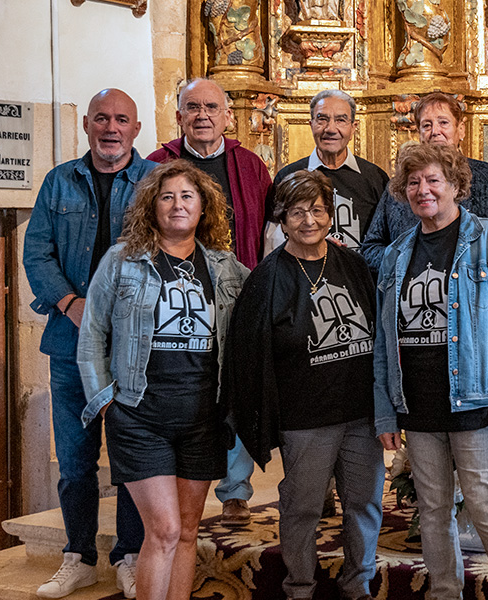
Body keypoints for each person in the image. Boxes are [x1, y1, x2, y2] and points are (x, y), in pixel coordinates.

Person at [77, 160, 249, 600]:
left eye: (187, 196)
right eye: (167, 196)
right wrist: (107, 401)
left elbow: (268, 299)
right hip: (139, 416)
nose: (177, 205)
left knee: (189, 531)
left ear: (203, 207)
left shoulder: (225, 266)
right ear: (151, 206)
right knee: (165, 531)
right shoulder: (122, 261)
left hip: (201, 417)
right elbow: (93, 332)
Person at [375, 143, 488, 600]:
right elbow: (384, 342)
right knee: (432, 509)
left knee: (486, 506)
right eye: (413, 183)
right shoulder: (396, 254)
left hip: (471, 394)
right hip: (417, 399)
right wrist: (386, 411)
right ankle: (444, 592)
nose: (423, 190)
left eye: (432, 181)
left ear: (455, 187)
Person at [222, 170, 384, 600]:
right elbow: (247, 353)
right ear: (282, 218)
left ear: (331, 214)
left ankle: (358, 585)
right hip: (305, 417)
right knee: (302, 508)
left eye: (316, 210)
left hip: (360, 412)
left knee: (364, 505)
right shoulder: (268, 277)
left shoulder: (352, 263)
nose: (308, 220)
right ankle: (299, 588)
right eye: (297, 212)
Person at [23, 88, 154, 599]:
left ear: (136, 129)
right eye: (102, 118)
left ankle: (128, 554)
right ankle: (77, 555)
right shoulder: (59, 182)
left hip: (133, 346)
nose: (111, 127)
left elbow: (166, 250)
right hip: (68, 342)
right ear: (88, 126)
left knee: (128, 459)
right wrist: (72, 304)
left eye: (122, 119)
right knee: (77, 460)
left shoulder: (153, 182)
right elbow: (37, 253)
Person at [147, 78, 272, 527]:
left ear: (227, 115)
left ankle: (235, 489)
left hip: (237, 293)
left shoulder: (252, 166)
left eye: (211, 107)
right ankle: (180, 484)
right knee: (194, 389)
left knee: (234, 387)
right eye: (192, 106)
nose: (202, 115)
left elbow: (269, 231)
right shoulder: (157, 165)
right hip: (173, 298)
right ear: (178, 115)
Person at [361, 92, 488, 275]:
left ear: (461, 129)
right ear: (419, 133)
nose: (435, 131)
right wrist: (410, 260)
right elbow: (371, 249)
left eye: (444, 123)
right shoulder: (402, 184)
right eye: (427, 125)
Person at [270, 90, 388, 251]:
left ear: (353, 128)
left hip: (361, 273)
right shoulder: (287, 177)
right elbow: (273, 240)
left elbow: (386, 238)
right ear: (311, 125)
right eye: (322, 119)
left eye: (341, 120)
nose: (330, 129)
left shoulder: (376, 178)